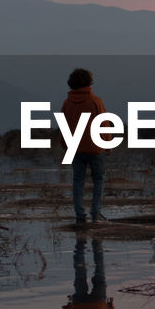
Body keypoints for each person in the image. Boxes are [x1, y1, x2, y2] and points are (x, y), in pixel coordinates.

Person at [61, 67, 106, 226]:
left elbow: (64, 126)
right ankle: (95, 213)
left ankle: (80, 215)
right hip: (95, 148)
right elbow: (104, 125)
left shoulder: (67, 103)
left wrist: (65, 145)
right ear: (89, 82)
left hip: (75, 149)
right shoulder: (95, 101)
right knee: (98, 180)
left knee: (78, 181)